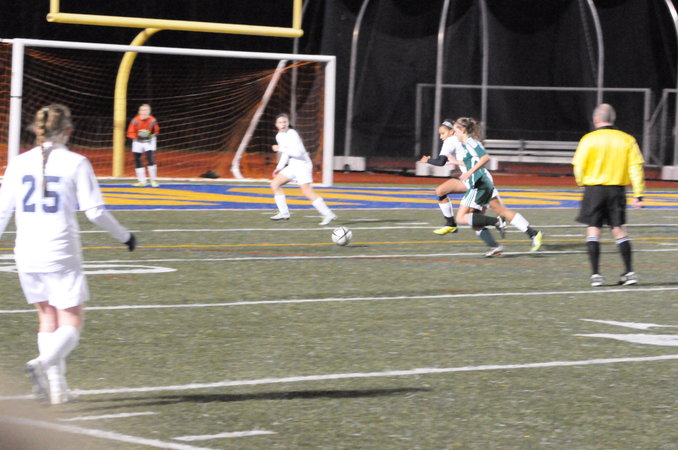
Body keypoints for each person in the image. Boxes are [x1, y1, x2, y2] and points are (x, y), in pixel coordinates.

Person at [0, 104, 136, 405]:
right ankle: (42, 363)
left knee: (46, 316)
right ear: (68, 131)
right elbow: (95, 212)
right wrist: (125, 236)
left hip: (26, 251)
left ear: (37, 130)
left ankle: (58, 391)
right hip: (60, 249)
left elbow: (2, 211)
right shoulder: (76, 162)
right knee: (71, 321)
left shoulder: (18, 163)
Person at [572, 103, 645, 287]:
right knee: (618, 229)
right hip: (617, 190)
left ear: (596, 119)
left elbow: (578, 166)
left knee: (593, 229)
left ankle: (596, 275)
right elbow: (635, 168)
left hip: (594, 189)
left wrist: (582, 183)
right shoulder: (627, 139)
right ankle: (630, 273)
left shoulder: (588, 139)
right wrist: (638, 194)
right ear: (613, 119)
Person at [448, 117, 544, 257]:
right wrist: (456, 162)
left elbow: (485, 157)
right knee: (489, 214)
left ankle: (497, 224)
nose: (454, 133)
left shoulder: (470, 142)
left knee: (461, 218)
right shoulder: (467, 143)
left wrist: (469, 172)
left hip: (479, 183)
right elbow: (473, 161)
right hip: (483, 181)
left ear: (462, 130)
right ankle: (531, 234)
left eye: (455, 130)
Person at [269, 113, 337, 226]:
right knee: (274, 184)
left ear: (288, 123)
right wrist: (279, 167)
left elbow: (298, 153)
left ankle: (328, 214)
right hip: (293, 165)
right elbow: (286, 153)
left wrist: (280, 148)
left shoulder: (292, 134)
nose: (283, 124)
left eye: (285, 122)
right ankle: (284, 213)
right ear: (276, 124)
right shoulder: (279, 136)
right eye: (280, 122)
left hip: (303, 165)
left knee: (306, 191)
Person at [419, 119, 465, 235]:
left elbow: (440, 162)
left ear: (452, 131)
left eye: (443, 133)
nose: (441, 137)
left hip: (474, 179)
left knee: (471, 218)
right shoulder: (465, 138)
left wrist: (427, 160)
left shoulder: (450, 140)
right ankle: (451, 224)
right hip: (475, 177)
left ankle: (496, 222)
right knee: (440, 191)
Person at [127, 103, 160, 187]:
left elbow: (156, 131)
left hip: (149, 141)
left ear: (149, 112)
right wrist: (138, 136)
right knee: (137, 159)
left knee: (150, 159)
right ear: (139, 111)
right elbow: (130, 132)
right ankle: (142, 181)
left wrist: (151, 136)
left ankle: (153, 180)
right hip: (137, 141)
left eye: (146, 110)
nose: (144, 112)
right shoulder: (135, 120)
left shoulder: (153, 120)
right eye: (142, 110)